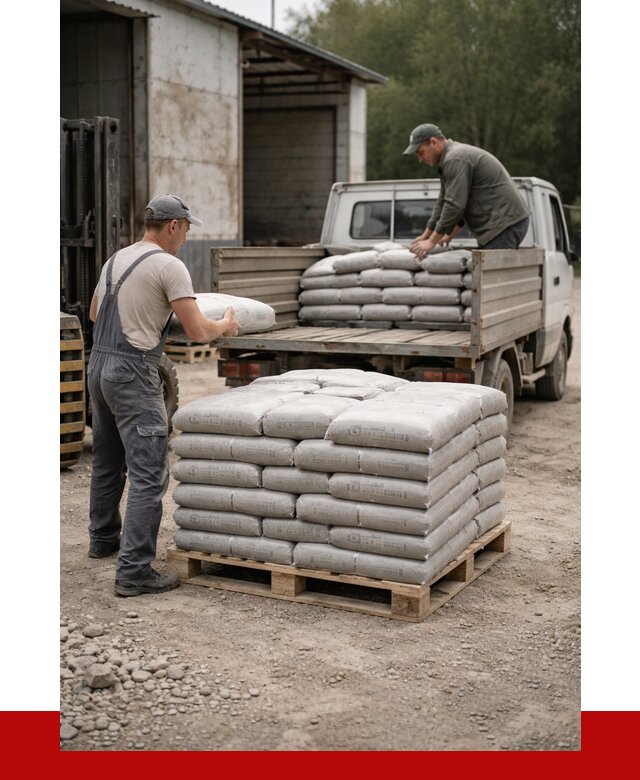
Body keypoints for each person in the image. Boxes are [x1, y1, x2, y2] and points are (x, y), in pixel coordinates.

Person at [87, 194, 240, 597]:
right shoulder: (170, 266)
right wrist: (224, 325)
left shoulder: (115, 260)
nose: (186, 238)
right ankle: (135, 571)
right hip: (133, 373)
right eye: (187, 229)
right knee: (148, 474)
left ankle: (103, 540)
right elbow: (197, 331)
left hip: (99, 367)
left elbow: (94, 314)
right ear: (173, 225)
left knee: (107, 462)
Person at [403, 124, 530, 259]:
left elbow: (455, 205)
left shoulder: (454, 159)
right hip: (504, 224)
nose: (420, 159)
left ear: (433, 142)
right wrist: (427, 235)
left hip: (504, 224)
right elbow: (443, 203)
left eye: (420, 152)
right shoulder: (449, 160)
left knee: (491, 277)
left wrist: (432, 241)